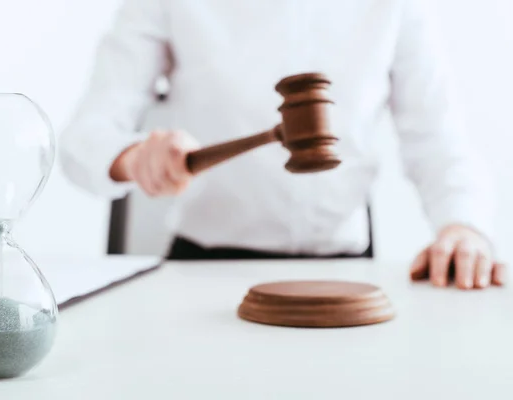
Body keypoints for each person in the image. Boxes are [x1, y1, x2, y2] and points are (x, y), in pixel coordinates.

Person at [59, 0, 505, 290]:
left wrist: (462, 225)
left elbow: (438, 137)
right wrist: (134, 157)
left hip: (349, 275)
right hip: (200, 276)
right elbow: (85, 138)